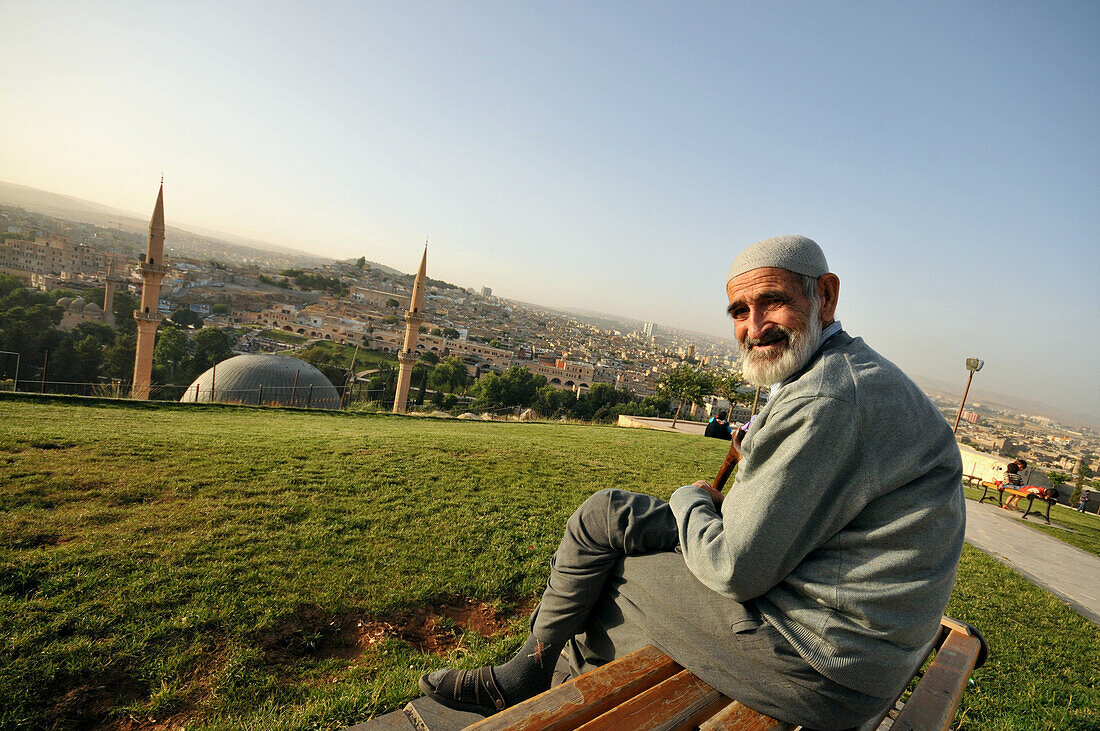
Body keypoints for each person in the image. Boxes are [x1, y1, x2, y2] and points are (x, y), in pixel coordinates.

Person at [418, 235, 965, 730]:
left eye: (772, 302)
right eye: (739, 311)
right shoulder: (843, 375)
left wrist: (688, 500)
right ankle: (528, 676)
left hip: (826, 663)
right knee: (604, 517)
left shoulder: (828, 398)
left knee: (611, 574)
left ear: (825, 295)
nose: (754, 327)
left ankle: (544, 696)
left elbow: (734, 569)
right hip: (850, 633)